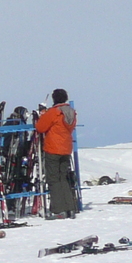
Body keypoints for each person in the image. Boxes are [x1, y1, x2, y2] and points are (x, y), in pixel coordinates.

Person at [34, 88, 79, 219]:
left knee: (53, 179)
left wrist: (42, 115)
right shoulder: (71, 112)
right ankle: (70, 208)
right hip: (66, 148)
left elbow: (40, 127)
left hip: (53, 148)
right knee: (63, 178)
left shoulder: (54, 112)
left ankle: (59, 210)